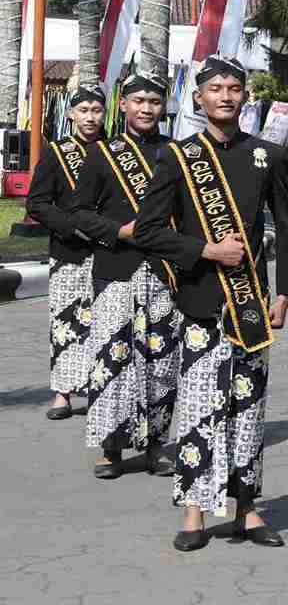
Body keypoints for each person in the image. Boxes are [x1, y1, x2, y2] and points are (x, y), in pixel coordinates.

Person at [132, 55, 288, 551]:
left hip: (252, 305)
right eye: (216, 88)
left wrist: (284, 293)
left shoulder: (268, 155)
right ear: (199, 97)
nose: (225, 96)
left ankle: (247, 510)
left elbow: (287, 229)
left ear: (245, 96)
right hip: (201, 302)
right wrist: (206, 250)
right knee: (200, 408)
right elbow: (148, 231)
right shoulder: (178, 157)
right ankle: (194, 512)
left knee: (249, 408)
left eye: (234, 88)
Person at [69, 73, 178, 480]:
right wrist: (118, 231)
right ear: (124, 104)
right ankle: (111, 448)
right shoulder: (102, 154)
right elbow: (79, 213)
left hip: (165, 271)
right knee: (112, 359)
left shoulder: (177, 152)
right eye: (138, 100)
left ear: (163, 106)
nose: (146, 108)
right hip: (116, 269)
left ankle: (155, 445)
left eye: (154, 101)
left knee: (162, 361)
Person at [27, 82, 106, 422]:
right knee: (65, 322)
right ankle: (62, 394)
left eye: (96, 110)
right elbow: (37, 203)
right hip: (69, 251)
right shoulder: (57, 152)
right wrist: (71, 226)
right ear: (71, 114)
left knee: (105, 323)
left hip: (110, 251)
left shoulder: (116, 150)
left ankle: (100, 390)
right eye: (83, 110)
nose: (90, 117)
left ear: (105, 113)